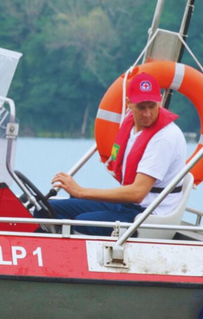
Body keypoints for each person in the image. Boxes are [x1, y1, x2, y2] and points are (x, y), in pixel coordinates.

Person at [50, 72, 187, 235]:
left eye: (152, 106)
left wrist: (81, 192)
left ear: (160, 101)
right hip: (128, 206)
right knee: (50, 209)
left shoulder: (165, 138)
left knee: (82, 222)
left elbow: (137, 193)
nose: (147, 114)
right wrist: (80, 194)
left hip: (148, 214)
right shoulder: (130, 124)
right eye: (141, 107)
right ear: (129, 103)